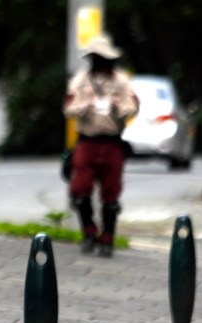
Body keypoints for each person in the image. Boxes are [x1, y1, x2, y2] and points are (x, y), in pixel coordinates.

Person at [64, 34, 139, 257]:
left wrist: (119, 108)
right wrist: (83, 107)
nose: (99, 61)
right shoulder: (80, 80)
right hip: (87, 142)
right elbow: (68, 108)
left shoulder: (122, 81)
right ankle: (89, 234)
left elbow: (134, 107)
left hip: (112, 143)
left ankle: (108, 239)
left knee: (111, 195)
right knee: (79, 191)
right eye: (95, 57)